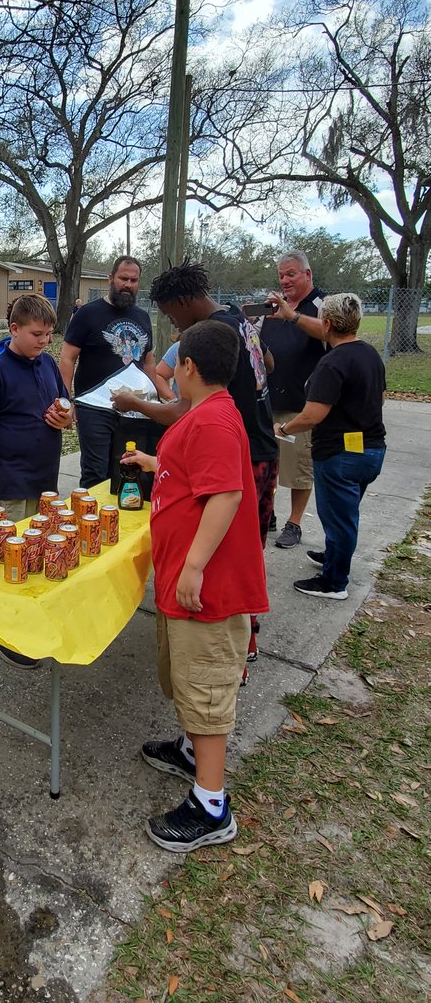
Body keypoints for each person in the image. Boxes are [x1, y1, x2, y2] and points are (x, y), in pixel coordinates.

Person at [123, 319, 269, 851]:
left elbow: (225, 494)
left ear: (188, 366)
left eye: (174, 363)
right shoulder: (209, 414)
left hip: (208, 590)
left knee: (206, 687)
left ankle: (211, 806)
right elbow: (195, 474)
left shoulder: (212, 421)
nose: (170, 372)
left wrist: (192, 566)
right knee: (187, 677)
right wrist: (154, 463)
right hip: (190, 584)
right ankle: (189, 750)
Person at [111, 261, 278, 673]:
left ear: (184, 302)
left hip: (234, 452)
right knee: (247, 545)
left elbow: (183, 411)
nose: (173, 323)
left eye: (171, 313)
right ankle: (245, 637)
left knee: (225, 549)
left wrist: (136, 404)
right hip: (262, 445)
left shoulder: (209, 342)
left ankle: (230, 651)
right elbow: (269, 365)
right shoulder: (239, 320)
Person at [272, 293, 386, 601]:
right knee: (343, 514)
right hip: (371, 449)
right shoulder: (369, 354)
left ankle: (334, 581)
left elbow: (312, 415)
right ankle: (334, 556)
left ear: (328, 324)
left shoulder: (332, 362)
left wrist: (283, 428)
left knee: (339, 518)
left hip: (339, 455)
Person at [0, 294, 74, 524]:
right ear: (15, 329)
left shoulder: (48, 364)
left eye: (48, 334)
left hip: (45, 485)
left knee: (38, 551)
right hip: (10, 489)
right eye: (37, 334)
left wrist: (66, 418)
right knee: (6, 553)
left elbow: (67, 405)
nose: (44, 340)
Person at [59, 256, 159, 489]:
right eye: (123, 278)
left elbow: (149, 361)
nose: (128, 284)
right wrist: (67, 399)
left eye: (134, 280)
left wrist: (155, 401)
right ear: (111, 278)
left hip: (133, 408)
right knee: (96, 472)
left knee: (127, 469)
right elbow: (67, 358)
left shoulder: (142, 317)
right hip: (94, 406)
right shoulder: (87, 314)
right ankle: (90, 521)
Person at [260, 251, 326, 549]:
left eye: (291, 274)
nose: (285, 280)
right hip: (269, 399)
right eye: (282, 276)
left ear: (308, 274)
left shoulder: (321, 305)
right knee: (267, 462)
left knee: (298, 468)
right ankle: (268, 512)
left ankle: (294, 523)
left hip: (302, 404)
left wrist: (294, 316)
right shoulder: (273, 309)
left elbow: (330, 331)